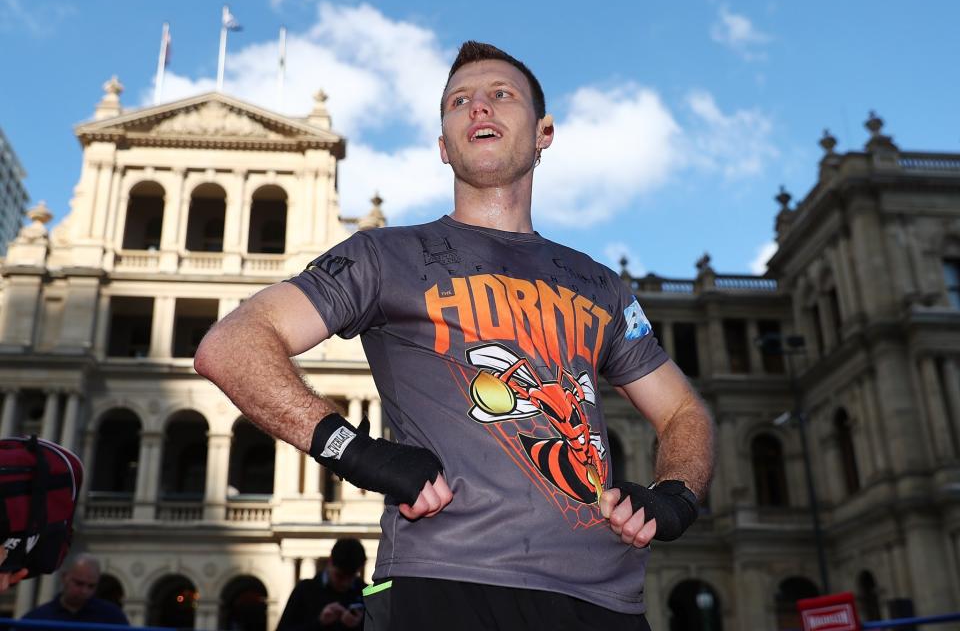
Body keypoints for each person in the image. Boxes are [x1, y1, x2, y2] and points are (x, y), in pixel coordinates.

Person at [196, 41, 715, 630]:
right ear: (444, 146)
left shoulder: (600, 285)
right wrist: (354, 450)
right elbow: (233, 344)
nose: (479, 109)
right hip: (445, 581)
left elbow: (683, 412)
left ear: (544, 132)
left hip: (605, 596)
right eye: (459, 102)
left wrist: (675, 495)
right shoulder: (384, 255)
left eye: (501, 95)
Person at [277, 538, 367, 631]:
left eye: (350, 577)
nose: (345, 583)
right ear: (330, 561)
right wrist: (320, 622)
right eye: (340, 576)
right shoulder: (304, 590)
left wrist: (359, 625)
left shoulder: (365, 593)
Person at [21, 554, 129, 626]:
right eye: (79, 583)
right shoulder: (37, 619)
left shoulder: (113, 617)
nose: (84, 591)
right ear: (64, 577)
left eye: (91, 586)